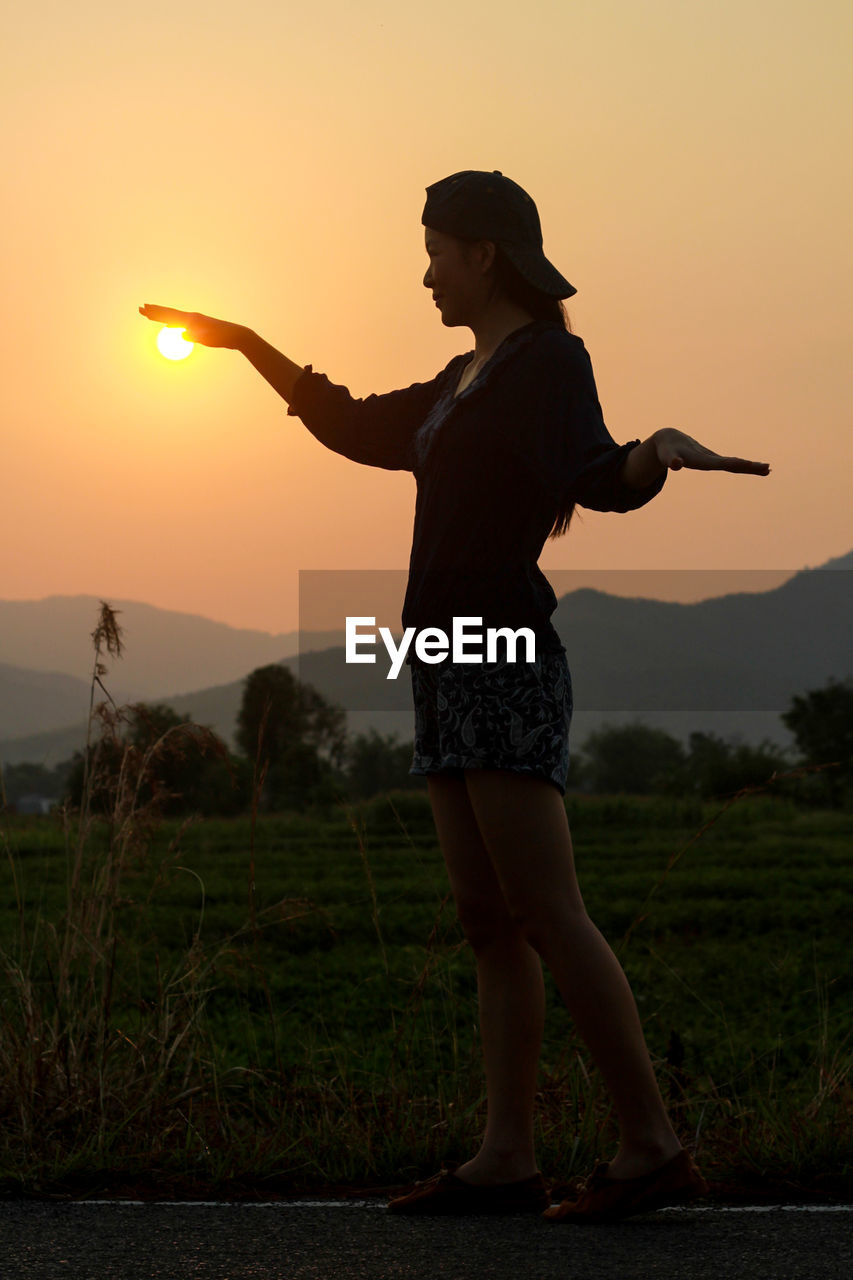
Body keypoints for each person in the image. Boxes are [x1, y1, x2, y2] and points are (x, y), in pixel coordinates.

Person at [139, 169, 770, 1223]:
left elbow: (593, 475)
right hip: (441, 655)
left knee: (544, 909)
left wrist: (653, 454)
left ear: (485, 254)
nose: (424, 270)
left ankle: (651, 1144)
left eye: (435, 249)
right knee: (488, 919)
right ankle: (505, 1156)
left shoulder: (546, 361)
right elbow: (350, 424)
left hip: (504, 653)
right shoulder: (461, 376)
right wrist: (244, 341)